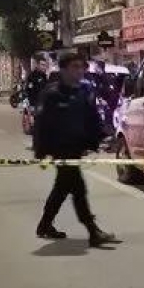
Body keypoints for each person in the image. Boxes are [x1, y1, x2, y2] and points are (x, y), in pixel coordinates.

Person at [33, 52, 116, 247]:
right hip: (60, 150)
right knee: (78, 189)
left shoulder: (83, 92)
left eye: (82, 67)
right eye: (75, 67)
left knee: (62, 188)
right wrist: (41, 152)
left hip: (76, 149)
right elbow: (41, 125)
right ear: (63, 70)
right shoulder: (51, 94)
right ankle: (92, 231)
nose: (80, 71)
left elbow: (91, 120)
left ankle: (44, 225)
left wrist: (100, 138)